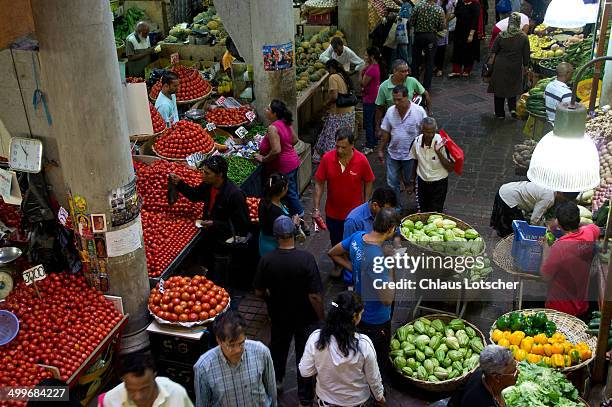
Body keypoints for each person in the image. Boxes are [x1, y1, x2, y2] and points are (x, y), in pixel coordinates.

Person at [255, 216, 325, 407]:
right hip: (305, 317)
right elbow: (315, 296)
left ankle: (276, 382)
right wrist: (321, 318)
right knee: (305, 356)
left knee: (278, 349)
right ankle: (304, 397)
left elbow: (259, 292)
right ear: (294, 234)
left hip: (278, 316)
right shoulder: (306, 259)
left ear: (276, 236)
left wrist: (270, 296)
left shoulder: (267, 260)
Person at [328, 208, 399, 369]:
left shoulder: (357, 238)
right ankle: (375, 388)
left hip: (359, 310)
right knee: (376, 361)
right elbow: (387, 300)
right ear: (390, 229)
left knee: (361, 353)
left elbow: (333, 253)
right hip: (376, 319)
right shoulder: (378, 259)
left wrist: (356, 269)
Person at [299, 291, 385, 407]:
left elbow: (305, 371)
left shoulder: (316, 339)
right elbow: (374, 378)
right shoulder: (363, 344)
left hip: (325, 402)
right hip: (357, 402)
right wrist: (380, 397)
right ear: (355, 317)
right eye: (361, 314)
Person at [168, 156, 250, 271]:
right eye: (203, 171)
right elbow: (195, 195)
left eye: (207, 173)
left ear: (219, 175)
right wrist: (180, 183)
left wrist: (215, 224)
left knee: (220, 269)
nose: (203, 175)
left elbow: (242, 225)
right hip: (209, 237)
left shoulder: (234, 194)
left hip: (224, 242)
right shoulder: (208, 185)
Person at [314, 128, 375, 277]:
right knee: (335, 240)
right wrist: (316, 207)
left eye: (344, 147)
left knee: (354, 242)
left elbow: (369, 180)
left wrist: (366, 204)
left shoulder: (361, 160)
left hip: (354, 215)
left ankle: (353, 267)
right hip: (333, 212)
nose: (340, 150)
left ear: (352, 145)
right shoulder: (328, 159)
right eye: (337, 146)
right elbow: (319, 183)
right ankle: (339, 265)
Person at [194, 310, 277, 407]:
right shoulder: (203, 367)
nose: (238, 350)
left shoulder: (261, 352)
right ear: (219, 340)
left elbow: (271, 390)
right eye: (231, 345)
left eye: (241, 343)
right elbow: (203, 404)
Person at [540, 202, 600, 317]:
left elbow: (545, 276)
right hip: (581, 305)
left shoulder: (559, 247)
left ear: (558, 222)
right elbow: (594, 228)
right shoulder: (589, 233)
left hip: (560, 309)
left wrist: (546, 248)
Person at [378, 85, 428, 207]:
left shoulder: (419, 112)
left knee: (412, 181)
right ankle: (397, 207)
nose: (396, 102)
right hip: (393, 153)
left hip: (411, 156)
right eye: (394, 99)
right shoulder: (390, 111)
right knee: (392, 182)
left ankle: (420, 205)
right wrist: (381, 149)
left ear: (407, 98)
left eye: (399, 99)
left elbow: (425, 132)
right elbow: (386, 132)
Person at [255, 100, 304, 221]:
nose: (265, 110)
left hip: (284, 166)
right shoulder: (285, 122)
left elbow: (276, 150)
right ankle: (294, 215)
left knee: (290, 193)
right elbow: (294, 140)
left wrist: (264, 159)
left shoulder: (273, 128)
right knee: (292, 191)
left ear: (274, 113)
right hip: (293, 161)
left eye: (268, 109)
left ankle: (301, 220)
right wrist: (286, 146)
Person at [101, 353, 193, 407]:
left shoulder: (177, 394)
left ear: (154, 377)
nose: (138, 397)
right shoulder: (110, 401)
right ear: (123, 381)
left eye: (144, 389)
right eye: (131, 390)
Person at [490, 181, 577, 237]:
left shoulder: (550, 185)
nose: (563, 201)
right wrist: (543, 231)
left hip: (506, 188)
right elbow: (534, 219)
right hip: (508, 198)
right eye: (564, 199)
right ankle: (506, 242)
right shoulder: (549, 198)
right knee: (514, 230)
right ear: (561, 194)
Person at [487, 12, 531, 119]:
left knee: (499, 90)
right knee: (513, 89)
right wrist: (526, 69)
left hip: (500, 66)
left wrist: (489, 66)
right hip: (515, 67)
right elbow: (526, 56)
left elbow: (493, 52)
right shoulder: (523, 37)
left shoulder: (501, 35)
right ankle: (512, 110)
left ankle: (500, 114)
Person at [313, 59, 356, 163]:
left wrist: (325, 104)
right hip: (349, 113)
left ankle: (331, 161)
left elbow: (334, 96)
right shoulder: (343, 75)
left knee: (332, 137)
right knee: (344, 137)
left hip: (338, 114)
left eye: (328, 69)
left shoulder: (333, 77)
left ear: (331, 68)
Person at [375, 60, 432, 135]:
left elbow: (425, 94)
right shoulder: (384, 87)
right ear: (394, 71)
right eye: (403, 71)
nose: (407, 73)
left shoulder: (412, 81)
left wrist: (429, 112)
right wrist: (377, 127)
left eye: (407, 71)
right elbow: (379, 108)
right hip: (394, 122)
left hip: (412, 120)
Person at [447, 345, 517, 406]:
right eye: (514, 371)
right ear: (497, 377)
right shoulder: (482, 402)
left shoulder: (482, 372)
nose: (518, 372)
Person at [410, 117, 454, 212]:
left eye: (432, 132)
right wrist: (412, 181)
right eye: (427, 132)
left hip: (439, 184)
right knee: (423, 211)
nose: (430, 135)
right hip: (422, 183)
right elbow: (415, 161)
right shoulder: (416, 142)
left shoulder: (443, 143)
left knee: (435, 212)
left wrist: (438, 152)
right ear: (422, 130)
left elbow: (450, 168)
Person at [410, 0, 446, 90]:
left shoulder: (418, 6)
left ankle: (414, 84)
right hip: (431, 36)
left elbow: (411, 21)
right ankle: (426, 86)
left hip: (419, 35)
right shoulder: (439, 9)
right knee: (429, 62)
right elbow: (441, 26)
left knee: (415, 61)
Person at [258, 173, 291, 256]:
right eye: (287, 186)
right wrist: (295, 224)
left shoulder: (264, 202)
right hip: (275, 247)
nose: (288, 188)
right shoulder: (277, 213)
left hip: (264, 243)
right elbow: (285, 234)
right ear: (283, 189)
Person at [448, 0, 481, 78]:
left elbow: (475, 20)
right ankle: (456, 70)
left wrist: (471, 34)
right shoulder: (460, 2)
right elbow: (455, 14)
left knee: (469, 50)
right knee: (457, 49)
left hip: (470, 31)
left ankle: (467, 70)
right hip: (459, 30)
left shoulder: (475, 4)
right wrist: (446, 20)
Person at [361, 47, 383, 155]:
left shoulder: (371, 69)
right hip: (374, 97)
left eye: (366, 55)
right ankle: (373, 141)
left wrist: (361, 71)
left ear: (372, 57)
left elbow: (362, 83)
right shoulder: (375, 67)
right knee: (373, 121)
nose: (364, 57)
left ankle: (369, 145)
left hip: (369, 99)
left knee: (368, 122)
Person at [434, 0, 457, 77]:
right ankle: (435, 65)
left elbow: (448, 16)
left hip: (442, 28)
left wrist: (443, 24)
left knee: (441, 49)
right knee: (434, 48)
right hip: (433, 28)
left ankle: (440, 68)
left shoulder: (449, 3)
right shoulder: (436, 2)